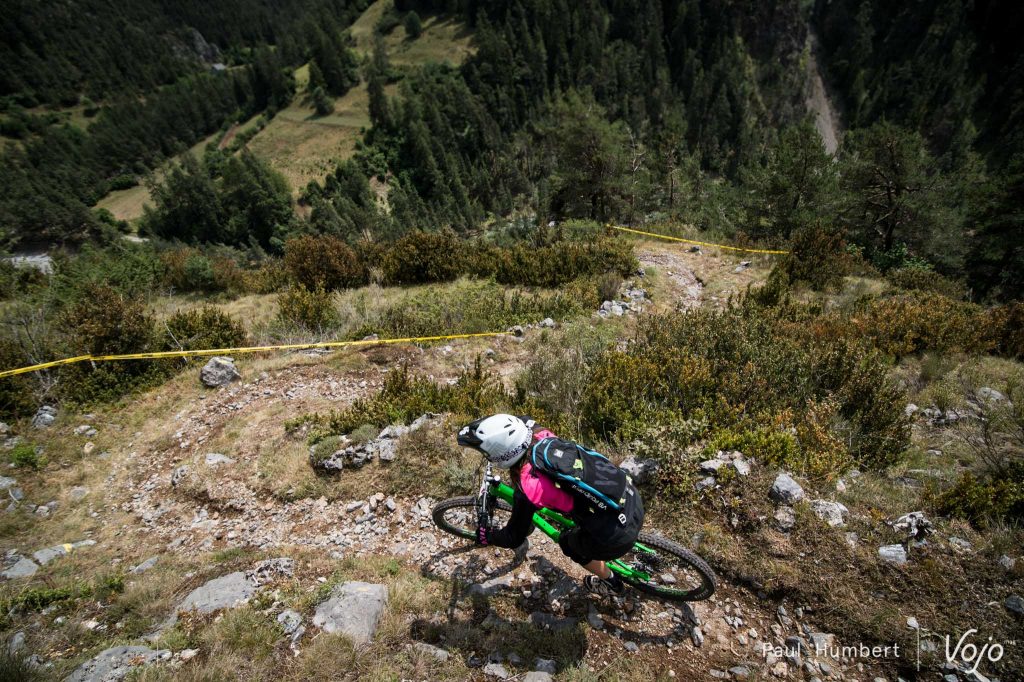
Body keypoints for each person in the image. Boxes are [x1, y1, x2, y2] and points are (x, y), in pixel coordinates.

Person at [457, 413, 645, 596]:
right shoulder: (541, 435)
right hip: (631, 497)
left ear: (501, 456)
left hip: (617, 536)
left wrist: (486, 536)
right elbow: (522, 421)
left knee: (568, 544)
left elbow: (513, 537)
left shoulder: (529, 487)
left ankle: (611, 582)